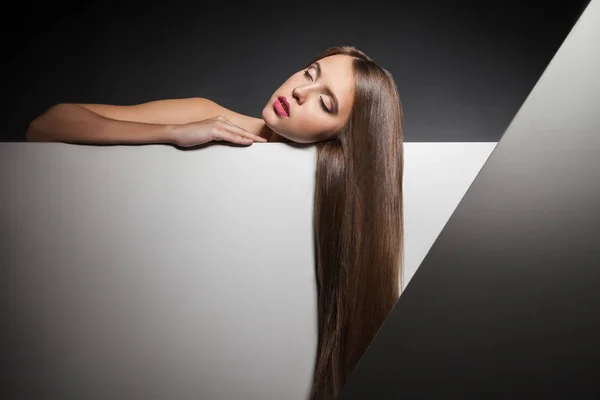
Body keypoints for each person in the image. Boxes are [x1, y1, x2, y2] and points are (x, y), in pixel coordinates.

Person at [26, 45, 405, 400]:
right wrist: (173, 134)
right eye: (309, 73)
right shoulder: (207, 114)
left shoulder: (335, 200)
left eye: (325, 102)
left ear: (346, 137)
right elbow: (46, 125)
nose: (300, 92)